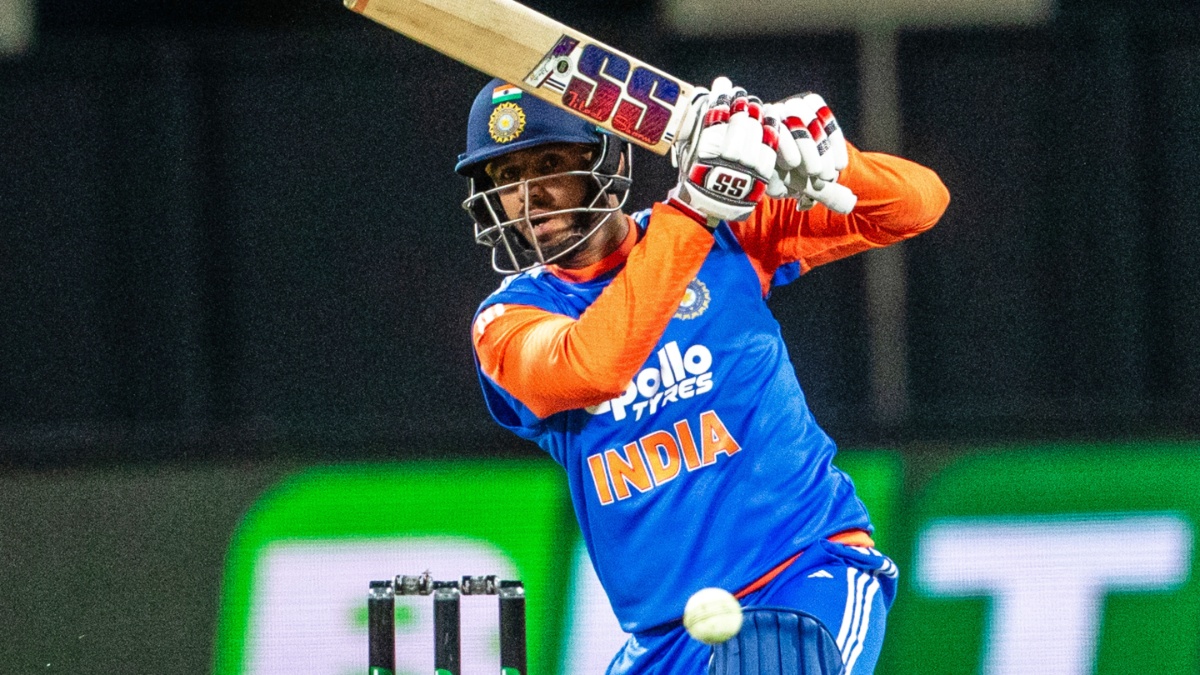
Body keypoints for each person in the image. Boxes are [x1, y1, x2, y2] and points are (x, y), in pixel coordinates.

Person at [455, 75, 949, 674]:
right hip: (664, 638)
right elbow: (592, 367)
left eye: (550, 164)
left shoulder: (727, 236)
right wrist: (692, 210)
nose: (528, 195)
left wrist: (836, 163)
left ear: (608, 160)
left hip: (802, 577)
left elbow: (919, 205)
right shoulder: (507, 321)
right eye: (507, 176)